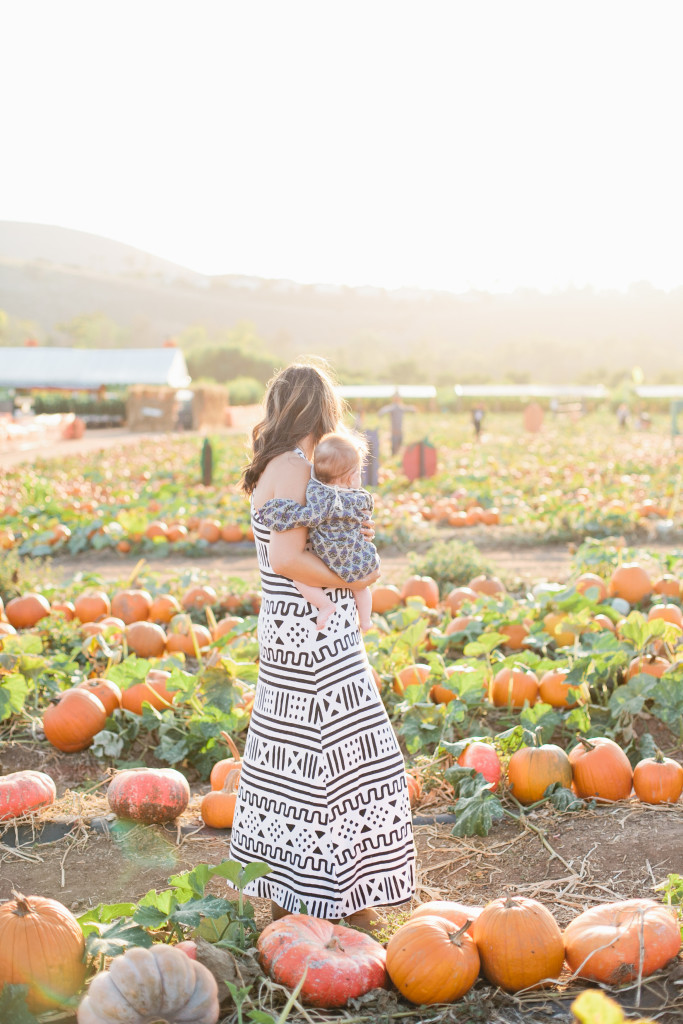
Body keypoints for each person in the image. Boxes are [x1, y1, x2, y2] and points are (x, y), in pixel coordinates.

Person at [229, 363, 415, 932]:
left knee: (305, 763)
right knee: (333, 760)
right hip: (310, 637)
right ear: (321, 407)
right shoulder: (290, 465)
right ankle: (328, 897)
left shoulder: (293, 466)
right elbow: (285, 560)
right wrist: (355, 583)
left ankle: (322, 893)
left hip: (299, 630)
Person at [256, 432, 378, 632]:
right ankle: (365, 621)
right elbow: (286, 561)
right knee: (362, 588)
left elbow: (312, 515)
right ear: (351, 477)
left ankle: (325, 605)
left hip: (328, 556)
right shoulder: (362, 497)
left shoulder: (317, 492)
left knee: (300, 580)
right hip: (356, 557)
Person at [378, 390, 416, 455]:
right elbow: (382, 412)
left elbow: (411, 409)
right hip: (394, 432)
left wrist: (413, 409)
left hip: (400, 432)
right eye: (396, 398)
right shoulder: (392, 407)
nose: (397, 399)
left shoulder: (401, 407)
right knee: (394, 450)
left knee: (399, 449)